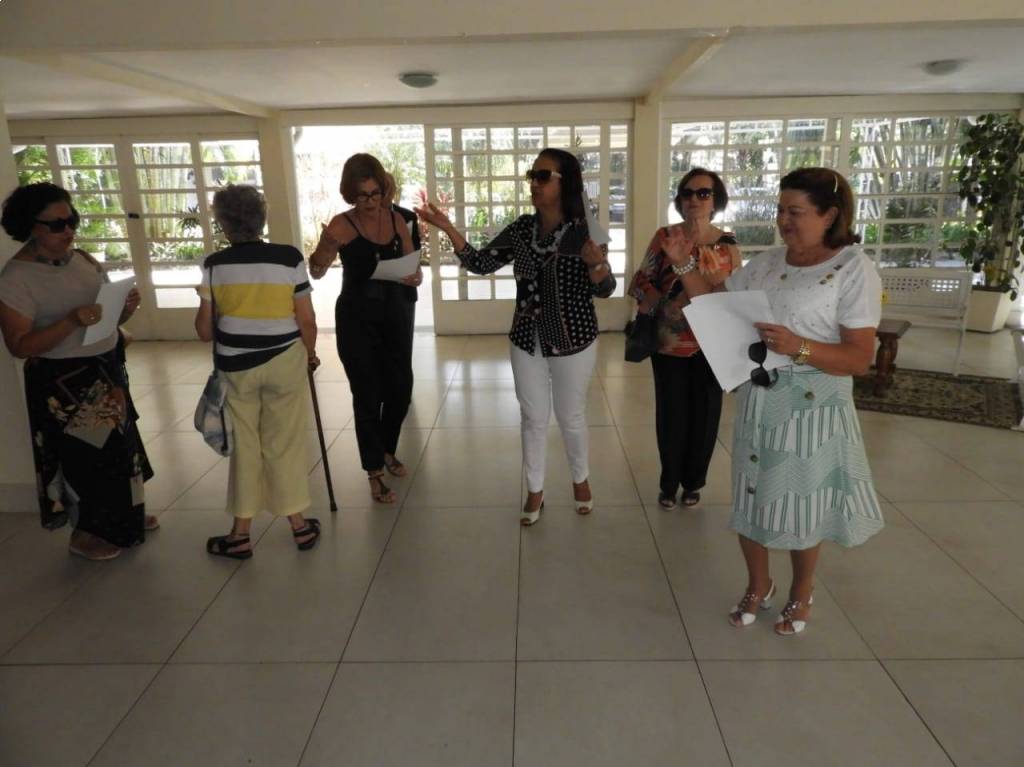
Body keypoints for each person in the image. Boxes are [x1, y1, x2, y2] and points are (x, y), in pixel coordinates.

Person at [663, 167, 884, 635]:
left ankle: (802, 590)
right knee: (751, 495)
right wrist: (683, 265)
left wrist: (799, 347)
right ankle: (758, 584)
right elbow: (717, 306)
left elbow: (860, 358)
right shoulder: (767, 263)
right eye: (781, 210)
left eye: (795, 212)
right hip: (760, 395)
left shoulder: (852, 268)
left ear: (830, 215)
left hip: (813, 404)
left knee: (802, 502)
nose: (783, 220)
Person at [416, 149, 615, 526]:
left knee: (570, 415)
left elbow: (605, 289)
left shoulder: (584, 231)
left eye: (543, 176)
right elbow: (480, 263)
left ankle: (580, 479)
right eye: (531, 175)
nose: (533, 183)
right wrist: (446, 226)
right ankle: (535, 488)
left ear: (565, 183)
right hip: (526, 337)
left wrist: (596, 264)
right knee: (533, 417)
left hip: (573, 337)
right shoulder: (523, 229)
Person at [0, 182, 153, 561]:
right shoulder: (16, 278)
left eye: (72, 220)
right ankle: (86, 534)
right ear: (30, 226)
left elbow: (103, 319)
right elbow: (19, 345)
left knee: (120, 451)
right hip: (64, 381)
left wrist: (124, 310)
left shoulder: (82, 259)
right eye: (56, 225)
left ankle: (124, 516)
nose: (68, 230)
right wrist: (70, 321)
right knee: (86, 459)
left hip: (104, 369)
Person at [195, 185, 321, 559]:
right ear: (261, 219)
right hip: (284, 360)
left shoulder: (215, 265)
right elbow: (307, 319)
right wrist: (310, 354)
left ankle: (240, 535)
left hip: (236, 366)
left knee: (246, 447)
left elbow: (204, 331)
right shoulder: (288, 258)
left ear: (223, 223)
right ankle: (299, 527)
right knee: (284, 443)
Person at [308, 154, 421, 504]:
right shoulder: (342, 225)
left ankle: (386, 449)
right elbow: (316, 271)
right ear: (350, 194)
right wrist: (327, 247)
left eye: (376, 193)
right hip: (357, 319)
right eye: (363, 195)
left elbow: (413, 265)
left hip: (395, 314)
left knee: (400, 389)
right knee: (368, 394)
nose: (372, 202)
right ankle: (374, 472)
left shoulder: (397, 219)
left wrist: (415, 275)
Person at [629, 168, 741, 510]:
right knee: (671, 414)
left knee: (706, 416)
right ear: (679, 200)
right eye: (687, 193)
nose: (694, 199)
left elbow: (735, 294)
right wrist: (663, 300)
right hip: (670, 341)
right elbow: (640, 280)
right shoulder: (665, 236)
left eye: (703, 193)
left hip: (712, 344)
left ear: (716, 200)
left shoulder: (727, 244)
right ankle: (669, 482)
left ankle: (693, 482)